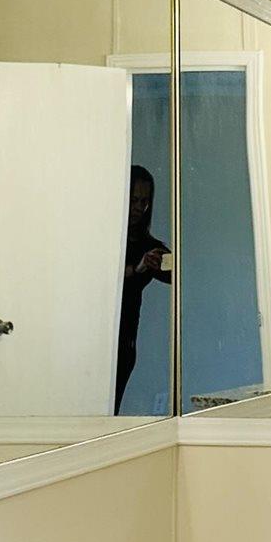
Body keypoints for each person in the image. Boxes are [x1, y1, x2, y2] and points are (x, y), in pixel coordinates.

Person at [116, 164, 173, 410]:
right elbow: (106, 277)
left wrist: (162, 264)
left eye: (144, 202)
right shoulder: (107, 237)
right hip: (97, 335)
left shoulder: (147, 244)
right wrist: (135, 269)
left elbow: (177, 276)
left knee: (112, 406)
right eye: (134, 199)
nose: (138, 208)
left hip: (126, 340)